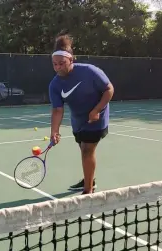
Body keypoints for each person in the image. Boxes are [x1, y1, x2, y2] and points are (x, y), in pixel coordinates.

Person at [48, 34, 114, 194]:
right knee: (83, 149)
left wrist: (97, 110)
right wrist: (54, 131)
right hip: (78, 121)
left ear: (71, 60)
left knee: (87, 150)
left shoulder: (90, 71)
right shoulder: (55, 84)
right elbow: (57, 109)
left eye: (61, 63)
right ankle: (90, 179)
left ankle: (88, 191)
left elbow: (109, 89)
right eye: (55, 64)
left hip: (97, 117)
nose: (58, 67)